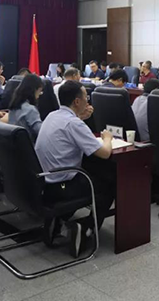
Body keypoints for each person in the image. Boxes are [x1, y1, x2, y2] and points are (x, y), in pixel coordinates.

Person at [35, 81, 116, 257]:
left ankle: (58, 220)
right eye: (86, 97)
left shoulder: (52, 115)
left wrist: (80, 118)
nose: (88, 101)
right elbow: (104, 153)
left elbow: (68, 131)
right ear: (77, 101)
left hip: (46, 184)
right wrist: (108, 138)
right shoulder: (74, 124)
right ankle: (86, 228)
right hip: (64, 186)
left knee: (95, 173)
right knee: (109, 185)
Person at [8, 74, 43, 142]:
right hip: (30, 145)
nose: (39, 94)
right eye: (40, 91)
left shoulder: (13, 106)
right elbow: (41, 131)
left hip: (15, 144)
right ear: (34, 90)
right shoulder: (30, 110)